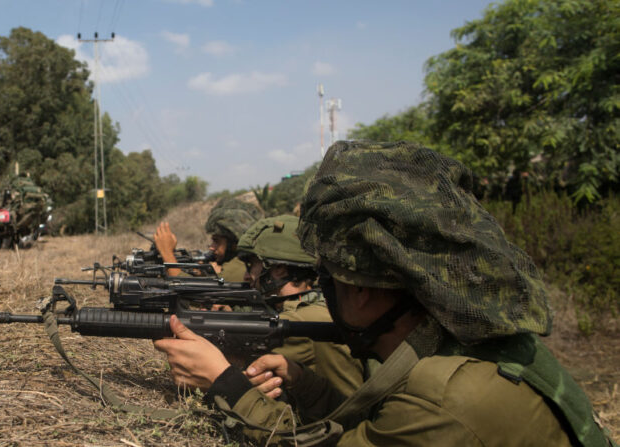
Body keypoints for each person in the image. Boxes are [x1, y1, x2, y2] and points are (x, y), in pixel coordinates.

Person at [153, 141, 615, 446]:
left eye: (329, 276)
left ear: (362, 291)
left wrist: (225, 384)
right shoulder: (463, 343)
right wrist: (307, 386)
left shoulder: (448, 395)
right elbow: (380, 429)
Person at [236, 214, 364, 398]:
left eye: (252, 265)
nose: (247, 276)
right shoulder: (319, 305)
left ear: (279, 269)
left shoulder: (301, 320)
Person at [153, 197, 264, 281]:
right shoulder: (244, 263)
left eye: (217, 241)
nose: (212, 247)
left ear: (234, 243)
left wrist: (167, 254)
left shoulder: (239, 268)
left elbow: (190, 291)